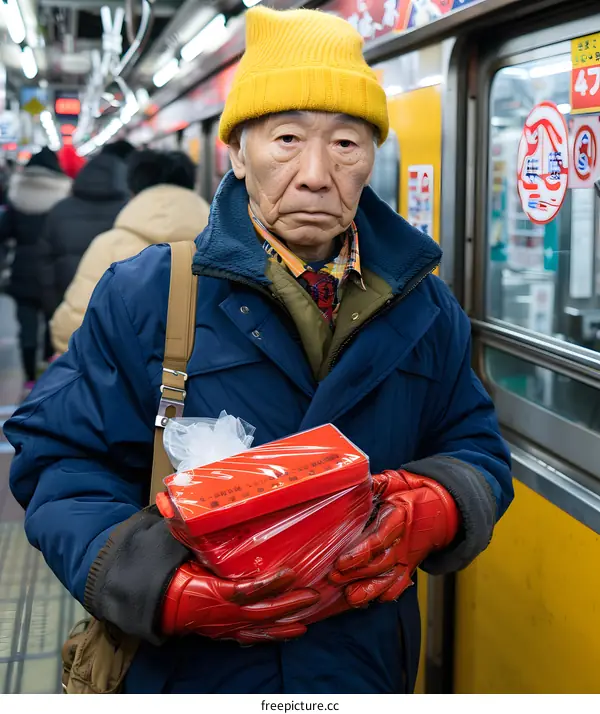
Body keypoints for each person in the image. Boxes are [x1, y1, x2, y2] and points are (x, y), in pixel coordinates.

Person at [5, 7, 513, 694]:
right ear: (237, 154)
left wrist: (438, 505)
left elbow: (474, 442)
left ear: (371, 158)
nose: (314, 173)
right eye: (285, 138)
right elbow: (61, 459)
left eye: (345, 144)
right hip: (190, 670)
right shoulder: (150, 294)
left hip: (361, 666)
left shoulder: (425, 308)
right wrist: (152, 582)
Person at [50, 149, 210, 353]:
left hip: (124, 378)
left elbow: (72, 329)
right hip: (207, 378)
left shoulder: (109, 245)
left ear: (132, 190)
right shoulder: (224, 246)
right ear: (192, 185)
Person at [0, 147, 71, 394]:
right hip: (52, 273)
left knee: (26, 328)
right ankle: (48, 370)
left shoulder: (17, 194)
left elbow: (4, 232)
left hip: (22, 272)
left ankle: (29, 378)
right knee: (54, 323)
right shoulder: (63, 194)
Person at [38, 149, 129, 321]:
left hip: (64, 304)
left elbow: (45, 260)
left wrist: (51, 305)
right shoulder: (130, 212)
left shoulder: (60, 210)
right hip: (113, 312)